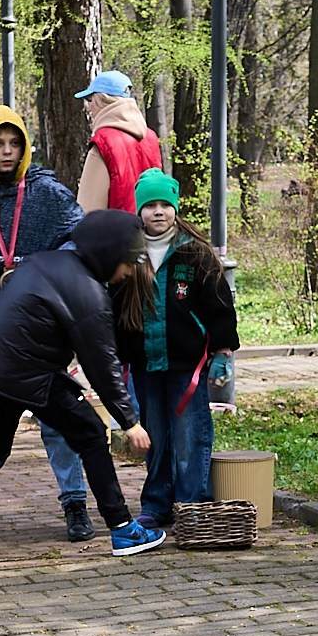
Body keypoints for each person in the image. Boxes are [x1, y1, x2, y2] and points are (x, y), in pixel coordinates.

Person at [0, 214, 164, 559]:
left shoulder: (46, 259)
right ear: (111, 255)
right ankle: (123, 528)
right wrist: (130, 421)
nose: (128, 272)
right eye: (128, 263)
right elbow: (102, 367)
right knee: (92, 435)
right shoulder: (88, 293)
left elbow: (3, 302)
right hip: (27, 372)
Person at [0, 106, 96, 538]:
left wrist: (46, 265)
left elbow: (79, 239)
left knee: (56, 419)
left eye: (14, 144)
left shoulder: (48, 194)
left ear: (26, 147)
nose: (7, 152)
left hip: (38, 327)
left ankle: (74, 503)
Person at [122, 170, 237, 528]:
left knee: (190, 435)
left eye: (165, 205)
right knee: (154, 435)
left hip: (187, 362)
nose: (158, 212)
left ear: (175, 209)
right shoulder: (128, 253)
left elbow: (219, 306)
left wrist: (222, 352)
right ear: (139, 211)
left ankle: (193, 504)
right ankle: (157, 503)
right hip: (144, 361)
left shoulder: (195, 254)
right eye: (150, 205)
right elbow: (113, 306)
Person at [73, 70, 163, 215]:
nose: (89, 107)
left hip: (116, 234)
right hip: (149, 233)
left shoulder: (103, 142)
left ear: (102, 99)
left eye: (90, 100)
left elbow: (89, 208)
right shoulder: (150, 137)